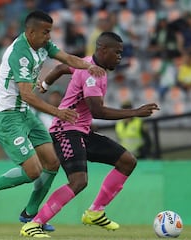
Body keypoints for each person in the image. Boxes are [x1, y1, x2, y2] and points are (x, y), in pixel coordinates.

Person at [20, 31, 159, 238]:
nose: (120, 57)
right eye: (117, 52)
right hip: (65, 131)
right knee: (79, 181)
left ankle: (95, 211)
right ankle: (33, 224)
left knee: (127, 161)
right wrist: (135, 112)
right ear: (102, 50)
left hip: (80, 132)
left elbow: (60, 68)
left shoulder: (86, 64)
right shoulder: (92, 75)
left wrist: (45, 85)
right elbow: (98, 111)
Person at [0, 10, 105, 232]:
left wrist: (89, 65)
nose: (49, 37)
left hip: (26, 114)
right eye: (45, 32)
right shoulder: (21, 54)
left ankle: (30, 214)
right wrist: (58, 112)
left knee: (52, 163)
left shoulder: (42, 44)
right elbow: (27, 94)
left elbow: (68, 58)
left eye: (50, 32)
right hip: (7, 117)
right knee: (33, 171)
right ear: (30, 32)